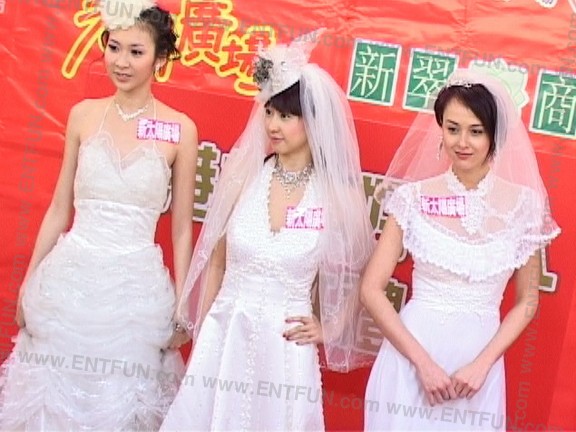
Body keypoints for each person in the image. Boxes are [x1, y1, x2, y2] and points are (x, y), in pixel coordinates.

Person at [160, 29, 374, 431]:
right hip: (225, 336)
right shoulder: (243, 177)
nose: (274, 125)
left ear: (314, 122)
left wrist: (331, 327)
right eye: (270, 112)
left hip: (286, 352)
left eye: (287, 116)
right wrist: (204, 331)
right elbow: (217, 263)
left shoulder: (337, 198)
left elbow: (364, 268)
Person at [0, 0, 198, 429]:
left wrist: (184, 304)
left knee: (119, 404)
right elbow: (59, 207)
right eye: (114, 48)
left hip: (135, 293)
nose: (121, 62)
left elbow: (182, 229)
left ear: (160, 59)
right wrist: (30, 281)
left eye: (136, 51)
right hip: (69, 282)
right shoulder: (83, 115)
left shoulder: (181, 130)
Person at [361, 68, 560, 431]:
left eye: (476, 131)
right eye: (452, 129)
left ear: (495, 134)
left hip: (477, 371)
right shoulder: (412, 198)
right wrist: (422, 364)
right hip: (411, 360)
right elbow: (371, 290)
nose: (462, 142)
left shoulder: (524, 206)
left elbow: (527, 301)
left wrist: (483, 364)